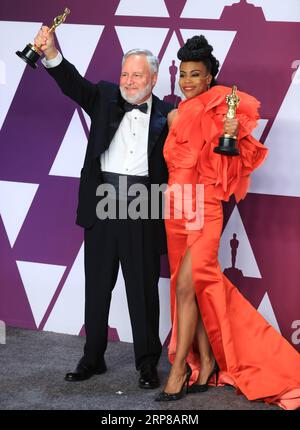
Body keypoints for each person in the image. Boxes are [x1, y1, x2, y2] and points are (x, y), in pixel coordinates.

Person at [156, 35, 300, 409]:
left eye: (195, 75)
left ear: (209, 78)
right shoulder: (173, 115)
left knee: (190, 285)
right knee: (192, 288)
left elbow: (230, 168)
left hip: (205, 206)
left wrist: (232, 138)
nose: (187, 81)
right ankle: (204, 363)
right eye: (183, 74)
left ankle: (178, 374)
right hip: (175, 209)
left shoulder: (225, 111)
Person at [33, 27, 173, 388]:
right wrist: (51, 53)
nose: (128, 80)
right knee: (97, 285)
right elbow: (73, 83)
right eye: (125, 73)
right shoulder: (105, 96)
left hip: (143, 204)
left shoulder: (169, 115)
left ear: (153, 78)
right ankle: (92, 358)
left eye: (137, 74)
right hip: (103, 201)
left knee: (141, 288)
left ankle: (146, 363)